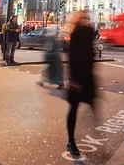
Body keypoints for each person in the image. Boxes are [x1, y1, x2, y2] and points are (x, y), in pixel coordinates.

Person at [65, 12, 96, 157]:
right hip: (77, 78)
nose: (86, 20)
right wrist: (73, 80)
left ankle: (96, 130)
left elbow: (91, 52)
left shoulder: (88, 32)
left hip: (88, 76)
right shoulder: (76, 34)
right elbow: (72, 58)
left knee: (93, 104)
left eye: (87, 18)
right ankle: (71, 140)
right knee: (74, 108)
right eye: (83, 18)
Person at [37, 23, 64, 89]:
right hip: (56, 56)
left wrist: (47, 54)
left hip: (51, 56)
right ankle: (60, 83)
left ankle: (43, 81)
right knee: (56, 71)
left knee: (47, 70)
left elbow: (49, 47)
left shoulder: (51, 38)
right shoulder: (57, 38)